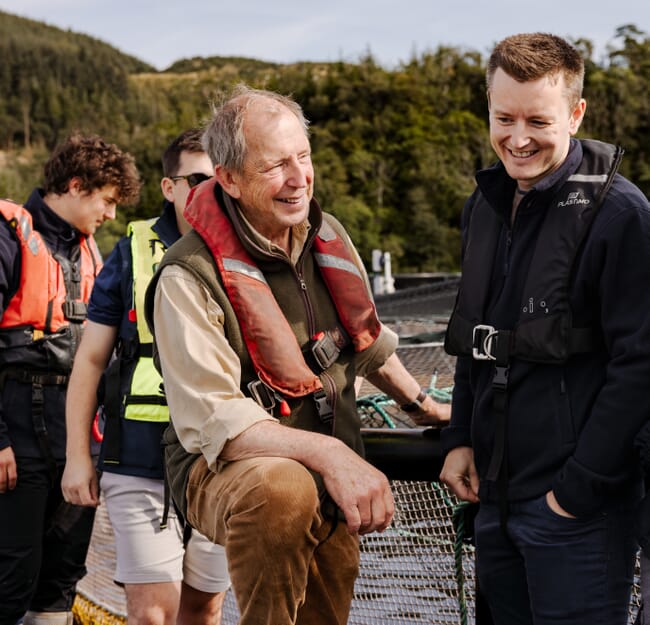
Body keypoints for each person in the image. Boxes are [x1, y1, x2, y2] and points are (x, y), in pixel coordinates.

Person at [143, 85, 450, 625]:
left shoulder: (326, 234)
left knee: (326, 608)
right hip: (226, 470)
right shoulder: (185, 274)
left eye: (303, 157)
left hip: (331, 465)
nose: (298, 178)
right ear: (229, 179)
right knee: (283, 488)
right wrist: (333, 457)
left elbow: (367, 340)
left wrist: (423, 406)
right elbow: (216, 418)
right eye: (275, 165)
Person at [440, 32, 650, 625]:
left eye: (538, 119)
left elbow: (640, 367)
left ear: (576, 112)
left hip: (575, 514)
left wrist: (576, 493)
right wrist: (458, 435)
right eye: (503, 117)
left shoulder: (622, 216)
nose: (518, 137)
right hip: (493, 500)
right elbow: (474, 333)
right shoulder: (481, 207)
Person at [61, 129, 230, 625]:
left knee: (205, 609)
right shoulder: (131, 250)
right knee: (153, 614)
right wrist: (77, 459)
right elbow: (90, 361)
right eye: (196, 178)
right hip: (137, 457)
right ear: (168, 187)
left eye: (220, 180)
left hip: (220, 459)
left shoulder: (243, 249)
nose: (209, 191)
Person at [0, 134, 141, 625]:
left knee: (63, 571)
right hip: (15, 427)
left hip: (78, 435)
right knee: (12, 571)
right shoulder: (8, 237)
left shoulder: (94, 256)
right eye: (106, 201)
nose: (110, 215)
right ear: (76, 186)